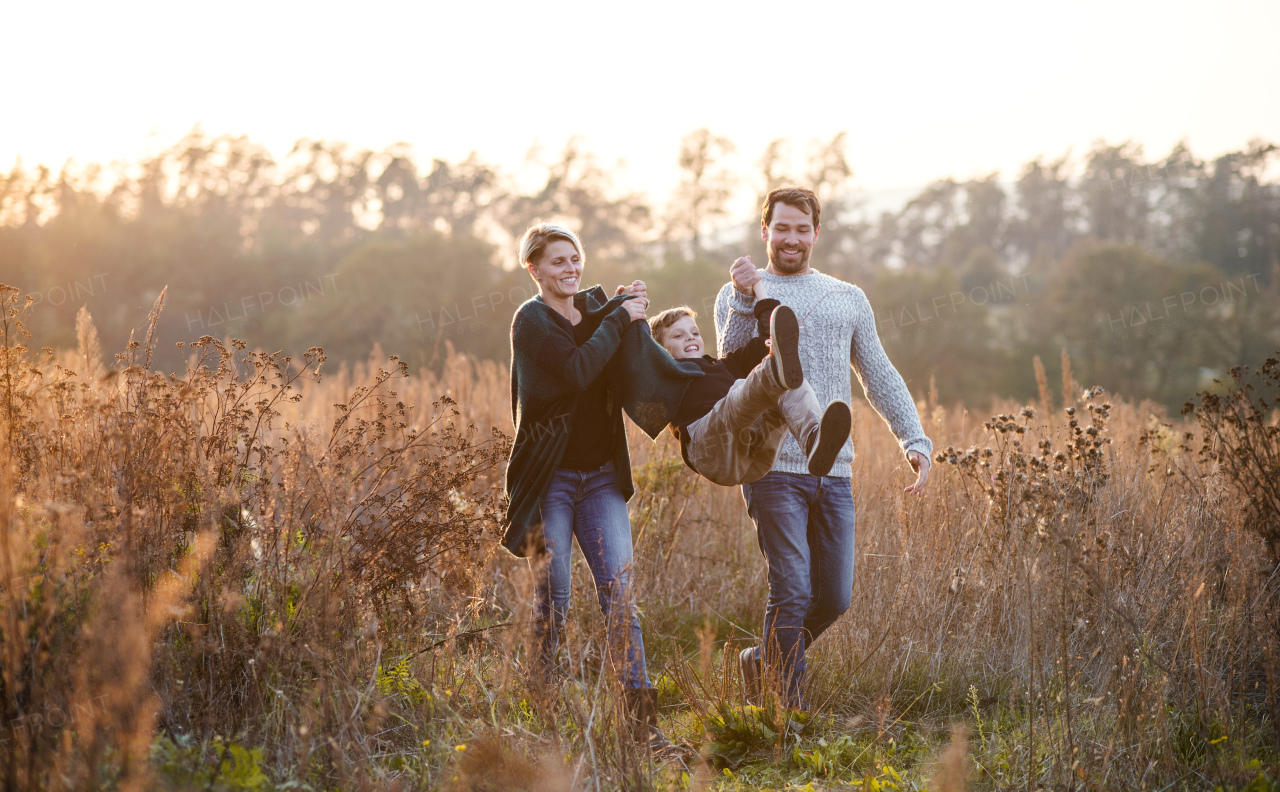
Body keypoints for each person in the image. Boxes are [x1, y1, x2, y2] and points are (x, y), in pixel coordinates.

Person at [713, 188, 933, 707]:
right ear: (764, 231)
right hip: (770, 467)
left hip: (834, 470)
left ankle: (761, 661)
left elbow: (877, 371)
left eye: (801, 229)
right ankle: (786, 713)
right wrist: (746, 299)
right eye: (782, 228)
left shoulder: (846, 297)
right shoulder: (738, 291)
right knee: (791, 591)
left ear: (816, 232)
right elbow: (729, 367)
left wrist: (914, 438)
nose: (792, 238)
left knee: (833, 597)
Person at [502, 221, 694, 755]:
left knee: (620, 597)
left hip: (602, 479)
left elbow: (620, 349)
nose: (570, 269)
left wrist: (627, 310)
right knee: (554, 599)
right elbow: (579, 369)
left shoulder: (593, 314)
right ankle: (542, 716)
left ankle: (642, 729)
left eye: (575, 259)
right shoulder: (531, 322)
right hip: (552, 483)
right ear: (534, 269)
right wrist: (621, 316)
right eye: (557, 261)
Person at [647, 283, 851, 486]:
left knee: (790, 381)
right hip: (710, 451)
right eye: (678, 335)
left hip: (753, 456)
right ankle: (772, 371)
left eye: (694, 333)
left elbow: (768, 336)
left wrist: (758, 287)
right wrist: (634, 309)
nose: (690, 337)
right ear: (660, 349)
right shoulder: (666, 375)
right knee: (744, 386)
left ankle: (813, 440)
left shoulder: (727, 365)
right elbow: (638, 358)